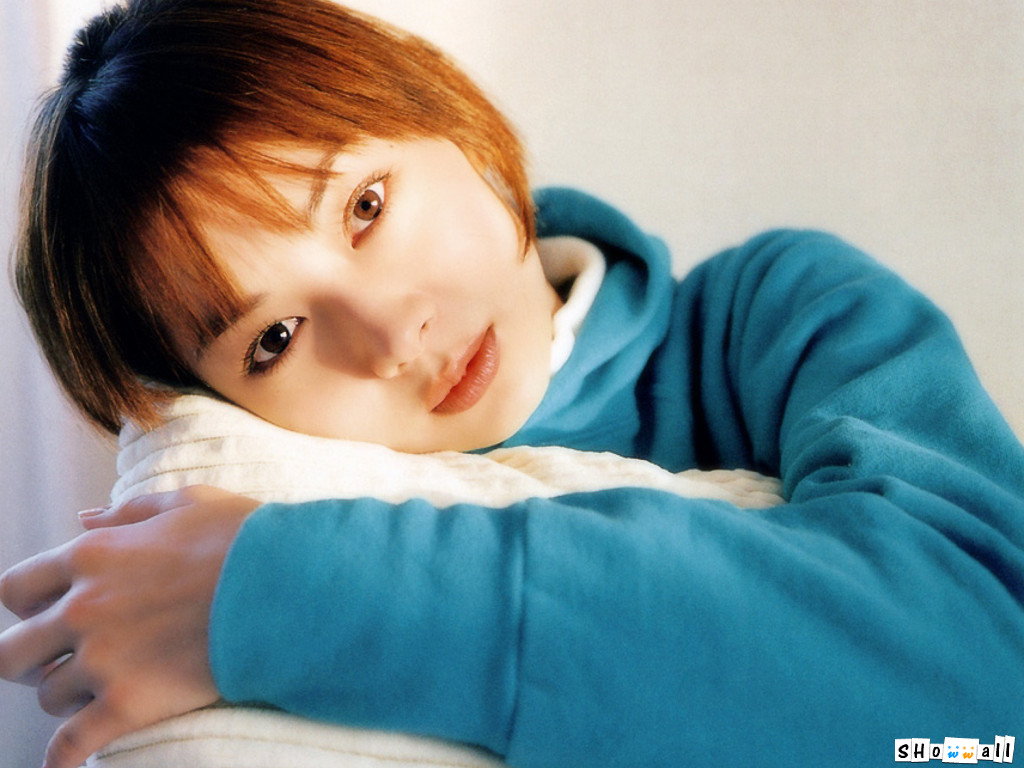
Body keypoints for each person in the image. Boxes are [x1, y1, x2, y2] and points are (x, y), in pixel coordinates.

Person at [1, 1, 1022, 767]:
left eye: (364, 206)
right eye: (273, 338)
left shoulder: (786, 316)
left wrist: (286, 594)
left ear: (445, 115)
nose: (393, 333)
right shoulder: (256, 491)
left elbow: (986, 697)